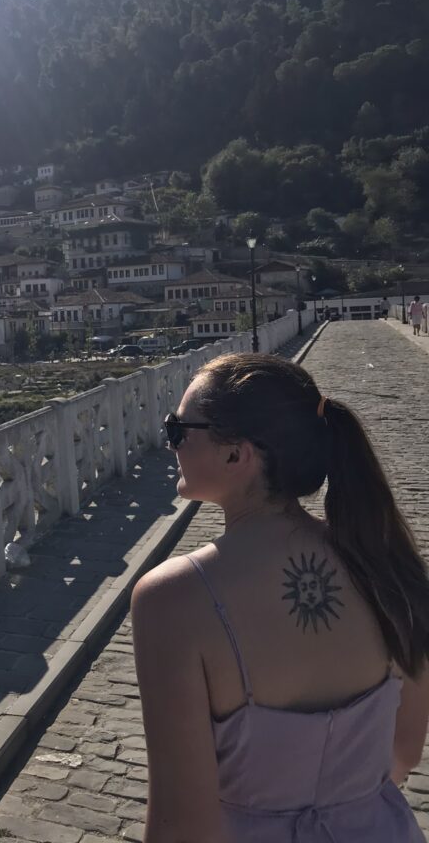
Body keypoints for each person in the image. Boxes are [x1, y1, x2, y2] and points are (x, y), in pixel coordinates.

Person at [132, 353, 429, 842]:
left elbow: (181, 827)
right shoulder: (386, 562)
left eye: (178, 430)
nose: (171, 445)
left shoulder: (174, 598)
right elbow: (403, 752)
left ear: (236, 454)